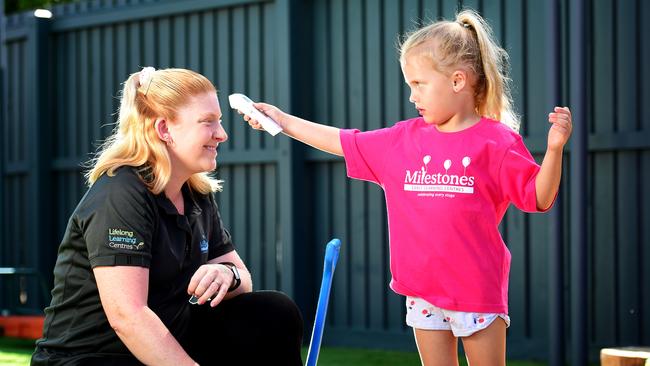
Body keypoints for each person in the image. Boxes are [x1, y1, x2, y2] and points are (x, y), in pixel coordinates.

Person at [239, 9, 572, 366]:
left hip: (477, 293)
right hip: (421, 292)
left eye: (419, 84)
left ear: (458, 81)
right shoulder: (402, 140)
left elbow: (539, 197)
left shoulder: (497, 143)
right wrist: (283, 121)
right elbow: (342, 141)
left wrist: (554, 150)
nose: (413, 96)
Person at [31, 67, 303, 366]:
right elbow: (128, 316)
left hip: (167, 340)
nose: (222, 134)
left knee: (273, 310)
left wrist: (228, 273)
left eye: (220, 122)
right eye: (207, 122)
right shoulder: (122, 193)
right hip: (94, 357)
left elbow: (244, 282)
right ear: (164, 130)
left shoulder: (195, 192)